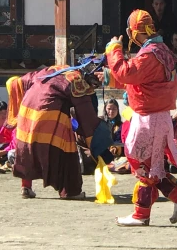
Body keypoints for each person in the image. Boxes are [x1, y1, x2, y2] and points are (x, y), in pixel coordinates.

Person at [103, 9, 177, 226]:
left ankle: (142, 213)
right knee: (150, 164)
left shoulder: (149, 54)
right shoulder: (161, 50)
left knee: (140, 162)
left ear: (132, 32)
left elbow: (128, 73)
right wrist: (109, 76)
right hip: (158, 116)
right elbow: (142, 80)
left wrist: (114, 49)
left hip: (148, 117)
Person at [12, 63, 114, 200]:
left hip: (26, 111)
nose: (92, 88)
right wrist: (97, 142)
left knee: (28, 149)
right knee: (66, 151)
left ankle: (26, 186)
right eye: (94, 85)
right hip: (48, 112)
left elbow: (19, 81)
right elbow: (86, 116)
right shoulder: (77, 80)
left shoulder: (54, 69)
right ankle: (70, 191)